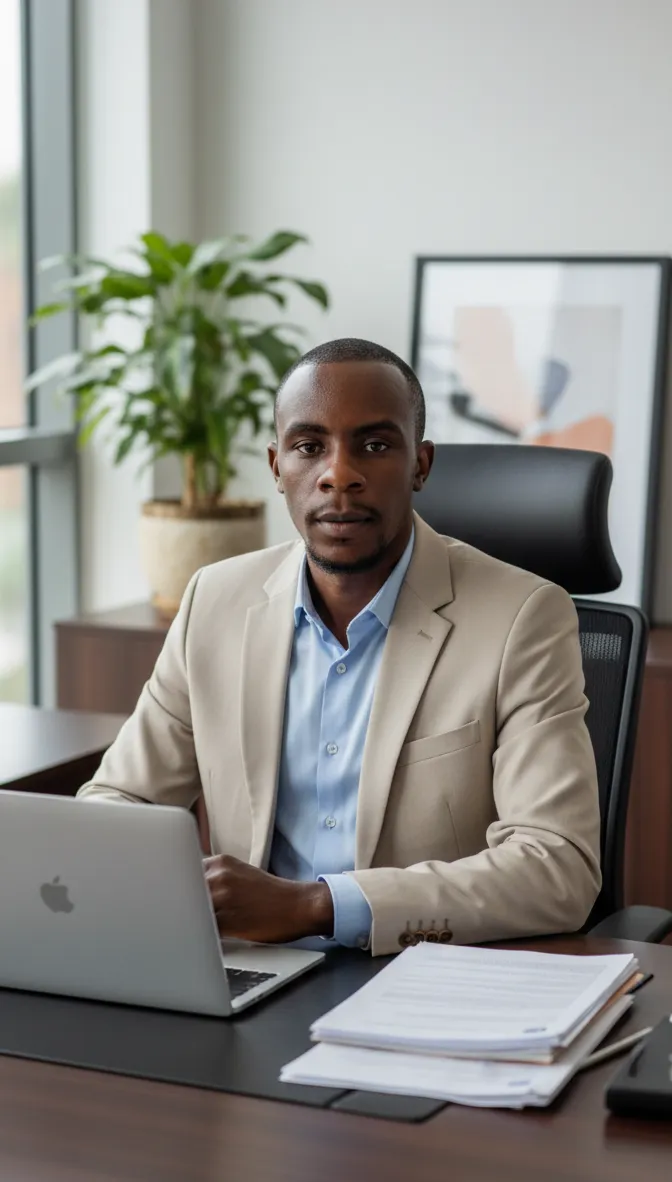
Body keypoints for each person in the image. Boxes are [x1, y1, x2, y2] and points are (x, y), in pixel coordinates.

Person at [78, 338, 601, 956]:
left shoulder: (521, 618)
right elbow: (119, 802)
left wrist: (314, 906)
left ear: (421, 464)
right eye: (308, 447)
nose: (339, 474)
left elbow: (557, 866)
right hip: (249, 972)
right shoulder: (214, 601)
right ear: (277, 467)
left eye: (375, 446)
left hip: (421, 976)